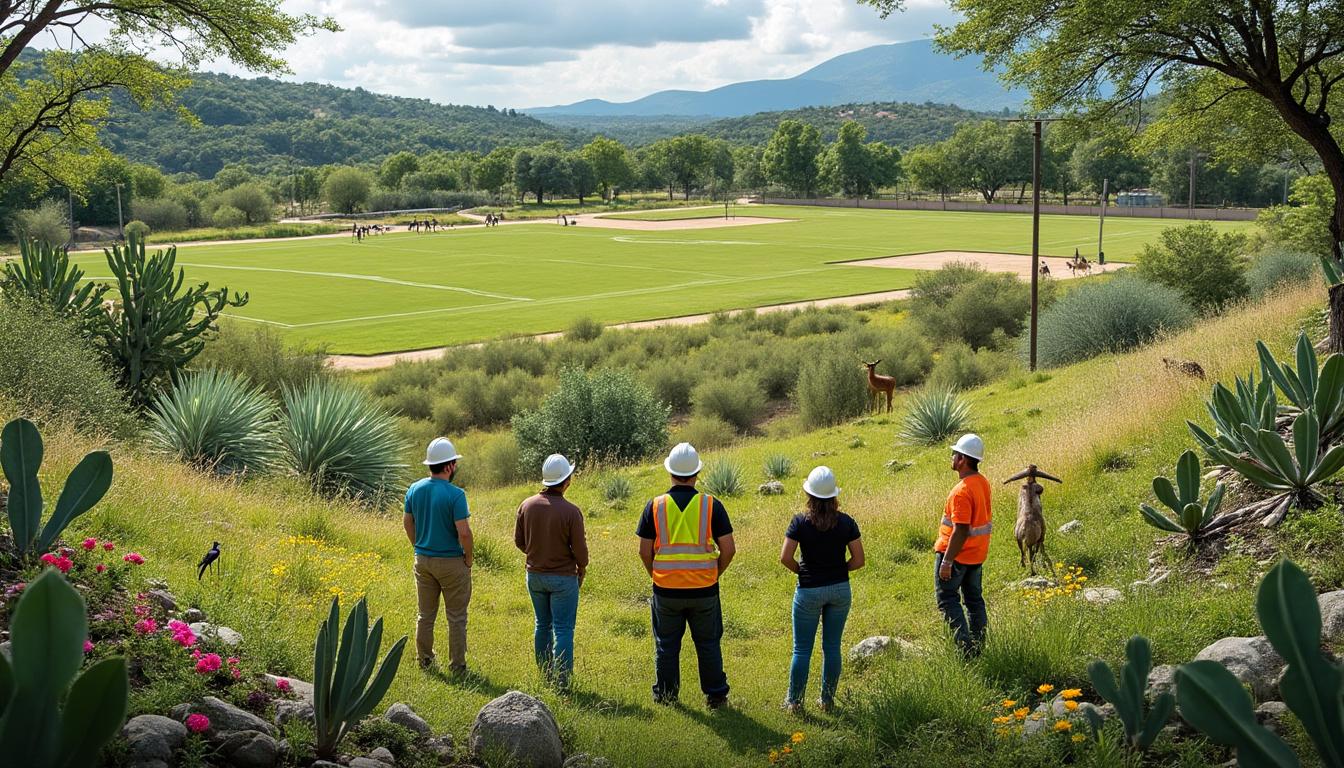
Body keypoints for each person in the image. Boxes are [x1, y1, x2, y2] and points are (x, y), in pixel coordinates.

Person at [636, 442, 736, 708]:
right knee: (708, 644)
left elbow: (644, 551)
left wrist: (656, 575)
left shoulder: (654, 506)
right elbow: (729, 549)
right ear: (697, 472)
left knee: (666, 646)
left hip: (666, 591)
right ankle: (716, 696)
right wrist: (714, 572)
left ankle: (667, 698)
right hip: (704, 591)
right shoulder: (712, 505)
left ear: (670, 472)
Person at [779, 466, 864, 714]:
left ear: (810, 495)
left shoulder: (800, 522)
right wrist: (839, 571)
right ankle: (827, 701)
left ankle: (794, 703)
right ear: (834, 496)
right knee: (832, 647)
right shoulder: (847, 522)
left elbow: (785, 557)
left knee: (802, 649)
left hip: (809, 591)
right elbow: (859, 560)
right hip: (839, 590)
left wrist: (802, 571)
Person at [514, 454, 589, 689]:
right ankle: (563, 682)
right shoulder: (571, 512)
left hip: (534, 576)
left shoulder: (526, 505)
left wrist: (537, 553)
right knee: (563, 628)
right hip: (563, 579)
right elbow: (581, 553)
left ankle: (545, 676)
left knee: (542, 624)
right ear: (567, 480)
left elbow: (519, 541)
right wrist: (582, 568)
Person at [404, 437, 474, 672]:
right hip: (452, 562)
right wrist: (469, 557)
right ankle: (457, 666)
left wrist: (418, 545)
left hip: (422, 560)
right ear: (449, 466)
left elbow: (407, 522)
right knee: (456, 617)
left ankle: (425, 660)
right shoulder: (456, 495)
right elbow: (464, 532)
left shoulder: (414, 489)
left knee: (425, 614)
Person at [935, 433, 992, 656]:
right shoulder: (982, 482)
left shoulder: (961, 491)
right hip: (976, 556)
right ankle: (979, 647)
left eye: (954, 454)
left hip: (956, 556)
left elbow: (960, 529)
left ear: (962, 459)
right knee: (974, 601)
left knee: (948, 600)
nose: (952, 457)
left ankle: (966, 652)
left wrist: (947, 561)